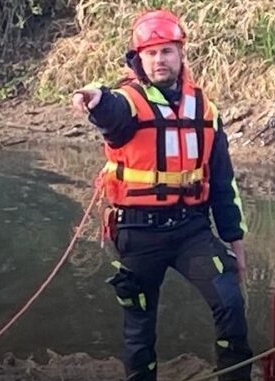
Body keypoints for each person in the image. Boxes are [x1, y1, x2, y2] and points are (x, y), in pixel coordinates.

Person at [73, 9, 252, 381]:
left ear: (181, 54)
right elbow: (111, 113)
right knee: (139, 327)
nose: (160, 60)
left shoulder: (206, 109)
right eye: (151, 53)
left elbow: (223, 183)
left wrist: (235, 243)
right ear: (138, 58)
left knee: (230, 302)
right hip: (138, 232)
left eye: (167, 51)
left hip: (191, 229)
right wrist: (95, 100)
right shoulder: (126, 102)